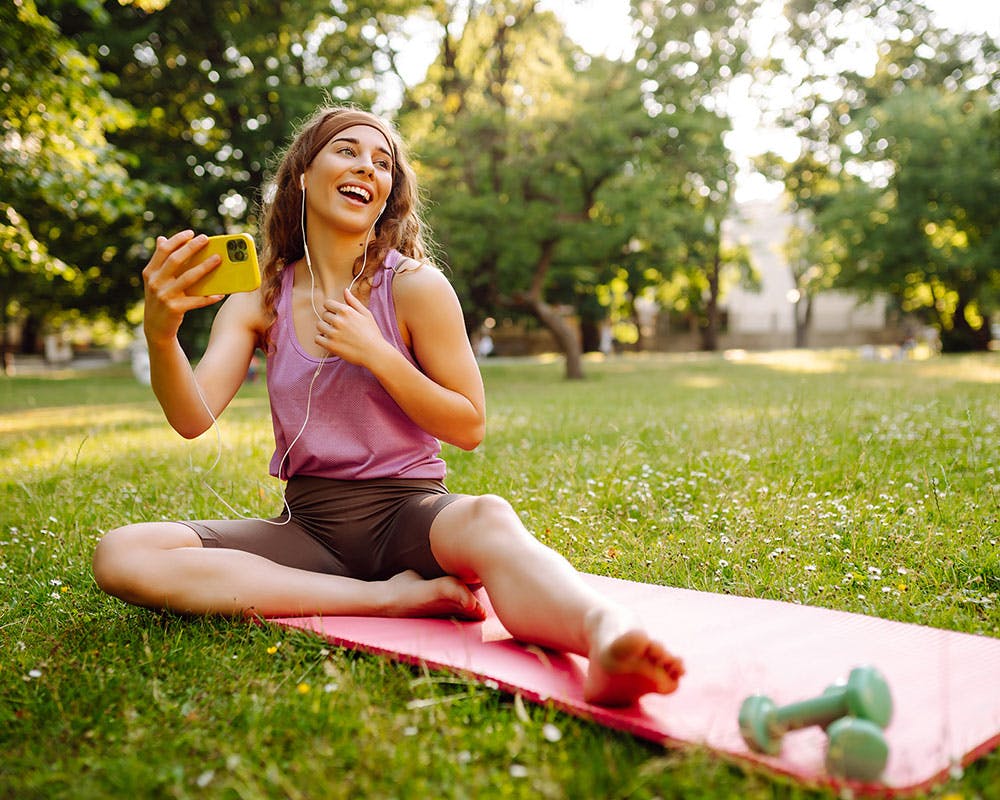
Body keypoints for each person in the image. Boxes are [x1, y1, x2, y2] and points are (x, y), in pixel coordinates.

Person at [92, 107, 684, 706]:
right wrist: (161, 334)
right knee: (122, 553)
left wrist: (377, 352)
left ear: (387, 198)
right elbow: (193, 418)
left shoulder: (414, 287)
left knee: (489, 520)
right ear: (302, 175)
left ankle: (607, 635)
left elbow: (470, 425)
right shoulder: (259, 300)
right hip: (310, 529)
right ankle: (389, 599)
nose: (367, 168)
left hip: (411, 516)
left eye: (383, 163)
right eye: (347, 151)